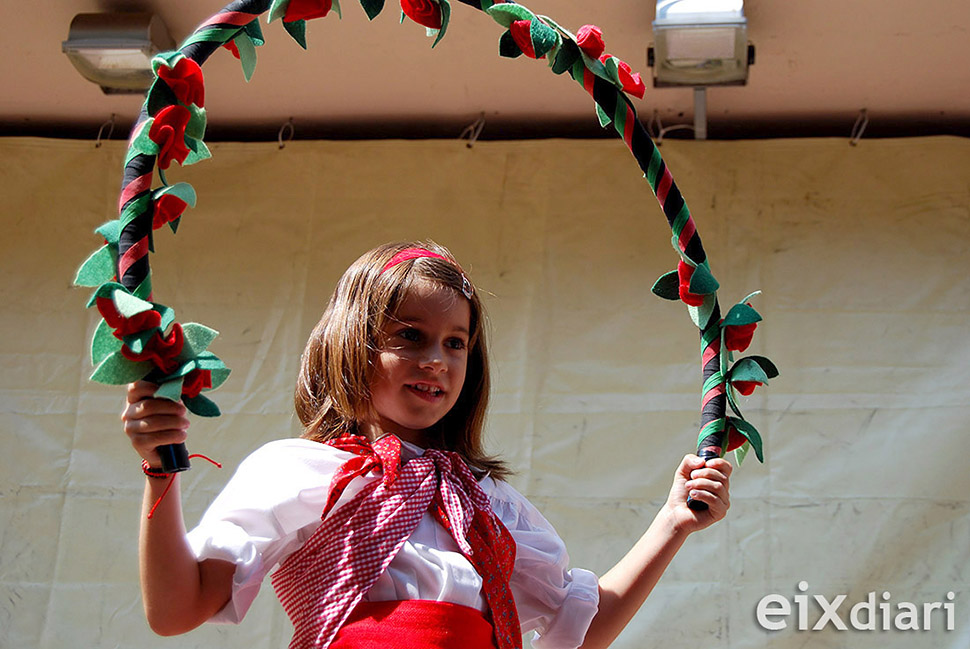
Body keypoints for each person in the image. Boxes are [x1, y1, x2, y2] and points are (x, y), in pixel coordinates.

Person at [123, 240, 732, 649]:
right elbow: (175, 610)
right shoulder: (303, 472)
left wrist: (672, 521)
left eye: (456, 342)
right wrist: (161, 471)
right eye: (410, 335)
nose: (436, 360)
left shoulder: (486, 504)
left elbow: (580, 624)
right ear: (350, 343)